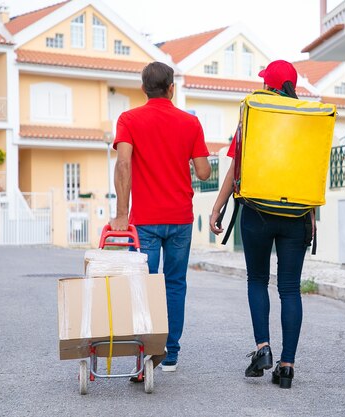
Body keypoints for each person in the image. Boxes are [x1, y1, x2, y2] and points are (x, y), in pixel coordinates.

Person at [210, 60, 311, 389]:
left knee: (257, 280)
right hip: (296, 215)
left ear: (269, 86)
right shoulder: (307, 122)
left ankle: (263, 349)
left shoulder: (253, 116)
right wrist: (311, 217)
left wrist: (218, 206)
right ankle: (287, 366)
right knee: (290, 289)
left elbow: (234, 169)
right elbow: (309, 175)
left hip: (256, 212)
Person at [110, 61, 211, 374]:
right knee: (175, 284)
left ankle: (143, 353)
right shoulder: (189, 122)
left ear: (143, 89)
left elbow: (123, 164)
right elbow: (205, 171)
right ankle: (170, 354)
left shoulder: (129, 119)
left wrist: (121, 214)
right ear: (171, 88)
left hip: (144, 221)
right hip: (180, 217)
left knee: (142, 284)